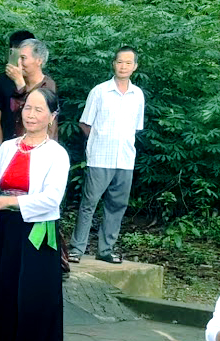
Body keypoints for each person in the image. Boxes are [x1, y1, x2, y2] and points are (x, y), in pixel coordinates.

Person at [0, 89, 68, 341]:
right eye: (28, 108)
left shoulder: (57, 154)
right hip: (6, 229)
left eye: (39, 110)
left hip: (37, 233)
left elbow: (52, 199)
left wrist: (5, 202)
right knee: (2, 292)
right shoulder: (8, 147)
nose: (31, 114)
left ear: (52, 116)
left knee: (32, 297)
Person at [68, 46, 145, 265]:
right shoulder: (99, 91)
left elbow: (136, 127)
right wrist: (99, 140)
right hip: (100, 157)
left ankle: (106, 249)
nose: (123, 66)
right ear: (113, 63)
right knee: (89, 203)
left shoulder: (138, 95)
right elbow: (84, 123)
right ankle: (76, 248)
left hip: (126, 159)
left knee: (117, 205)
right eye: (120, 62)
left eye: (128, 63)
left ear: (135, 67)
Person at [0, 30, 35, 153]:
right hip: (8, 145)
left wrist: (20, 80)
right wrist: (2, 150)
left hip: (35, 148)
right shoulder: (2, 81)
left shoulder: (41, 81)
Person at [5, 38, 58, 141]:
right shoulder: (16, 83)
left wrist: (19, 82)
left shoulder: (48, 85)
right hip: (17, 143)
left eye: (23, 58)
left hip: (39, 147)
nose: (19, 63)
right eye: (18, 58)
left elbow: (29, 111)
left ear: (39, 60)